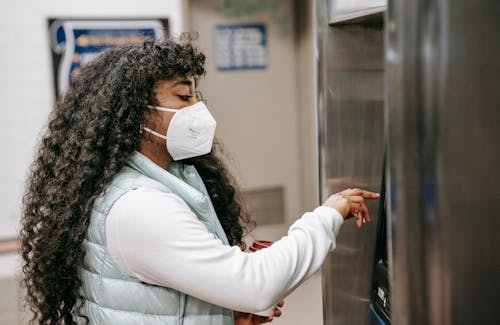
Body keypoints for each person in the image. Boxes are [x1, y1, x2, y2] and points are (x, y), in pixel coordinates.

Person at [20, 38, 379, 325]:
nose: (197, 109)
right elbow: (257, 284)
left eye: (195, 95)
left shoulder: (162, 177)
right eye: (183, 96)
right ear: (136, 113)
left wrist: (224, 313)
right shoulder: (137, 206)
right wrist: (328, 214)